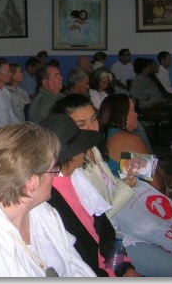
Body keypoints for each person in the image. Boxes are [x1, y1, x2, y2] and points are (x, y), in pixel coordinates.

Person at [50, 94, 172, 276]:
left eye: (94, 119)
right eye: (81, 124)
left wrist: (126, 178)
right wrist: (127, 184)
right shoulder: (72, 171)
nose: (92, 127)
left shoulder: (94, 147)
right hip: (117, 234)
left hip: (124, 225)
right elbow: (98, 220)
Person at [0, 123, 95, 277]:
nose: (54, 176)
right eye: (53, 169)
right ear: (32, 183)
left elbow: (74, 264)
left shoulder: (42, 211)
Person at [40, 114, 141, 277]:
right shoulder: (50, 198)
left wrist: (124, 267)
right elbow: (81, 258)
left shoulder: (77, 179)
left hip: (109, 268)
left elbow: (105, 233)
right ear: (73, 154)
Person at [98, 94, 172, 195]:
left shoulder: (104, 135)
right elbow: (157, 186)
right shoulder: (128, 140)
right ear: (122, 116)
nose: (136, 115)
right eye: (132, 110)